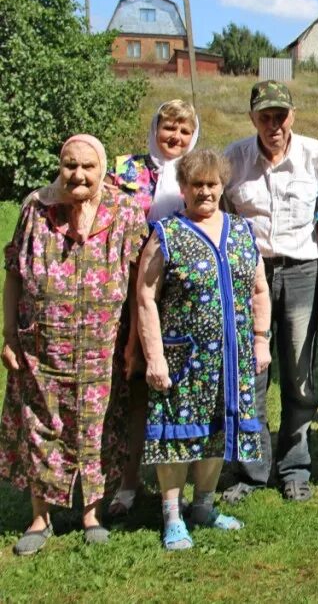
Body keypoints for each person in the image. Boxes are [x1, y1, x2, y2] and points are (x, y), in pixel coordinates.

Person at [0, 134, 148, 555]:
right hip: (41, 347)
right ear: (60, 167)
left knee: (97, 428)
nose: (77, 175)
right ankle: (39, 518)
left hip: (102, 348)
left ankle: (91, 514)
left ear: (102, 169)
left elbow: (141, 285)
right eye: (69, 165)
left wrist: (134, 343)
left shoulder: (124, 211)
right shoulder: (35, 208)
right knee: (40, 427)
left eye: (87, 166)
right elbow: (13, 272)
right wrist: (8, 334)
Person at [137, 148, 271, 551]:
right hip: (185, 359)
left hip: (232, 359)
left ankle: (204, 506)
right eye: (197, 184)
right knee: (177, 436)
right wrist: (155, 355)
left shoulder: (241, 230)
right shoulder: (167, 234)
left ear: (222, 186)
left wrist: (261, 339)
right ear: (183, 188)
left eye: (212, 184)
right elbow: (145, 296)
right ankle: (173, 515)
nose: (205, 192)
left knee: (217, 432)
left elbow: (259, 288)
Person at [221, 80, 318, 504]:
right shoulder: (234, 158)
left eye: (280, 116)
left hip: (302, 269)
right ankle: (251, 470)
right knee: (252, 371)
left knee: (299, 372)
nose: (274, 125)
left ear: (293, 115)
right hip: (251, 275)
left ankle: (295, 467)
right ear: (252, 118)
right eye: (265, 117)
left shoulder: (315, 155)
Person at [106, 99, 200, 520]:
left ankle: (184, 482)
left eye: (183, 131)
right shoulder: (126, 170)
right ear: (155, 128)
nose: (175, 138)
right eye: (168, 128)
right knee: (133, 385)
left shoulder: (198, 172)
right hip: (129, 288)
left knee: (181, 387)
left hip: (179, 295)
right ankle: (126, 482)